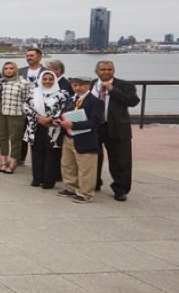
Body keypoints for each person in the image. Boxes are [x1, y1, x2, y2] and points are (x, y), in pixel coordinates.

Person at [92, 60, 140, 201]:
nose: (106, 72)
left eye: (109, 69)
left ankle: (120, 188)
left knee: (120, 159)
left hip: (117, 127)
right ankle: (94, 182)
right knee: (93, 156)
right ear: (97, 71)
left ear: (114, 71)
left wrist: (113, 89)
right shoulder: (91, 84)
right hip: (95, 126)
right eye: (103, 69)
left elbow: (133, 101)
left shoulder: (125, 85)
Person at [56, 75, 103, 203]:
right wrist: (60, 121)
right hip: (69, 136)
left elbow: (95, 121)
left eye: (81, 85)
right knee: (68, 164)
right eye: (75, 85)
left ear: (88, 85)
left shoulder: (95, 102)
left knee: (86, 167)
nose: (78, 88)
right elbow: (64, 114)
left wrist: (73, 125)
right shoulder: (70, 99)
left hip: (85, 138)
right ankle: (70, 187)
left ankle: (85, 193)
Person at [24, 70, 67, 189]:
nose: (47, 81)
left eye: (50, 79)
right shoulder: (33, 92)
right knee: (37, 153)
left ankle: (49, 181)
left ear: (54, 80)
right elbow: (26, 107)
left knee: (51, 154)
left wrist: (50, 118)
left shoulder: (62, 94)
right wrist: (39, 117)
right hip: (36, 126)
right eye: (45, 79)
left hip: (53, 128)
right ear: (40, 80)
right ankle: (37, 178)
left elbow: (64, 109)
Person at [0, 61, 29, 174]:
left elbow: (26, 99)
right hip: (0, 110)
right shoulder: (0, 81)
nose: (9, 70)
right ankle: (4, 161)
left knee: (15, 138)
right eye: (6, 68)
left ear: (15, 69)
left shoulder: (23, 82)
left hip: (16, 112)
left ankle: (13, 162)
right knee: (2, 137)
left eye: (11, 68)